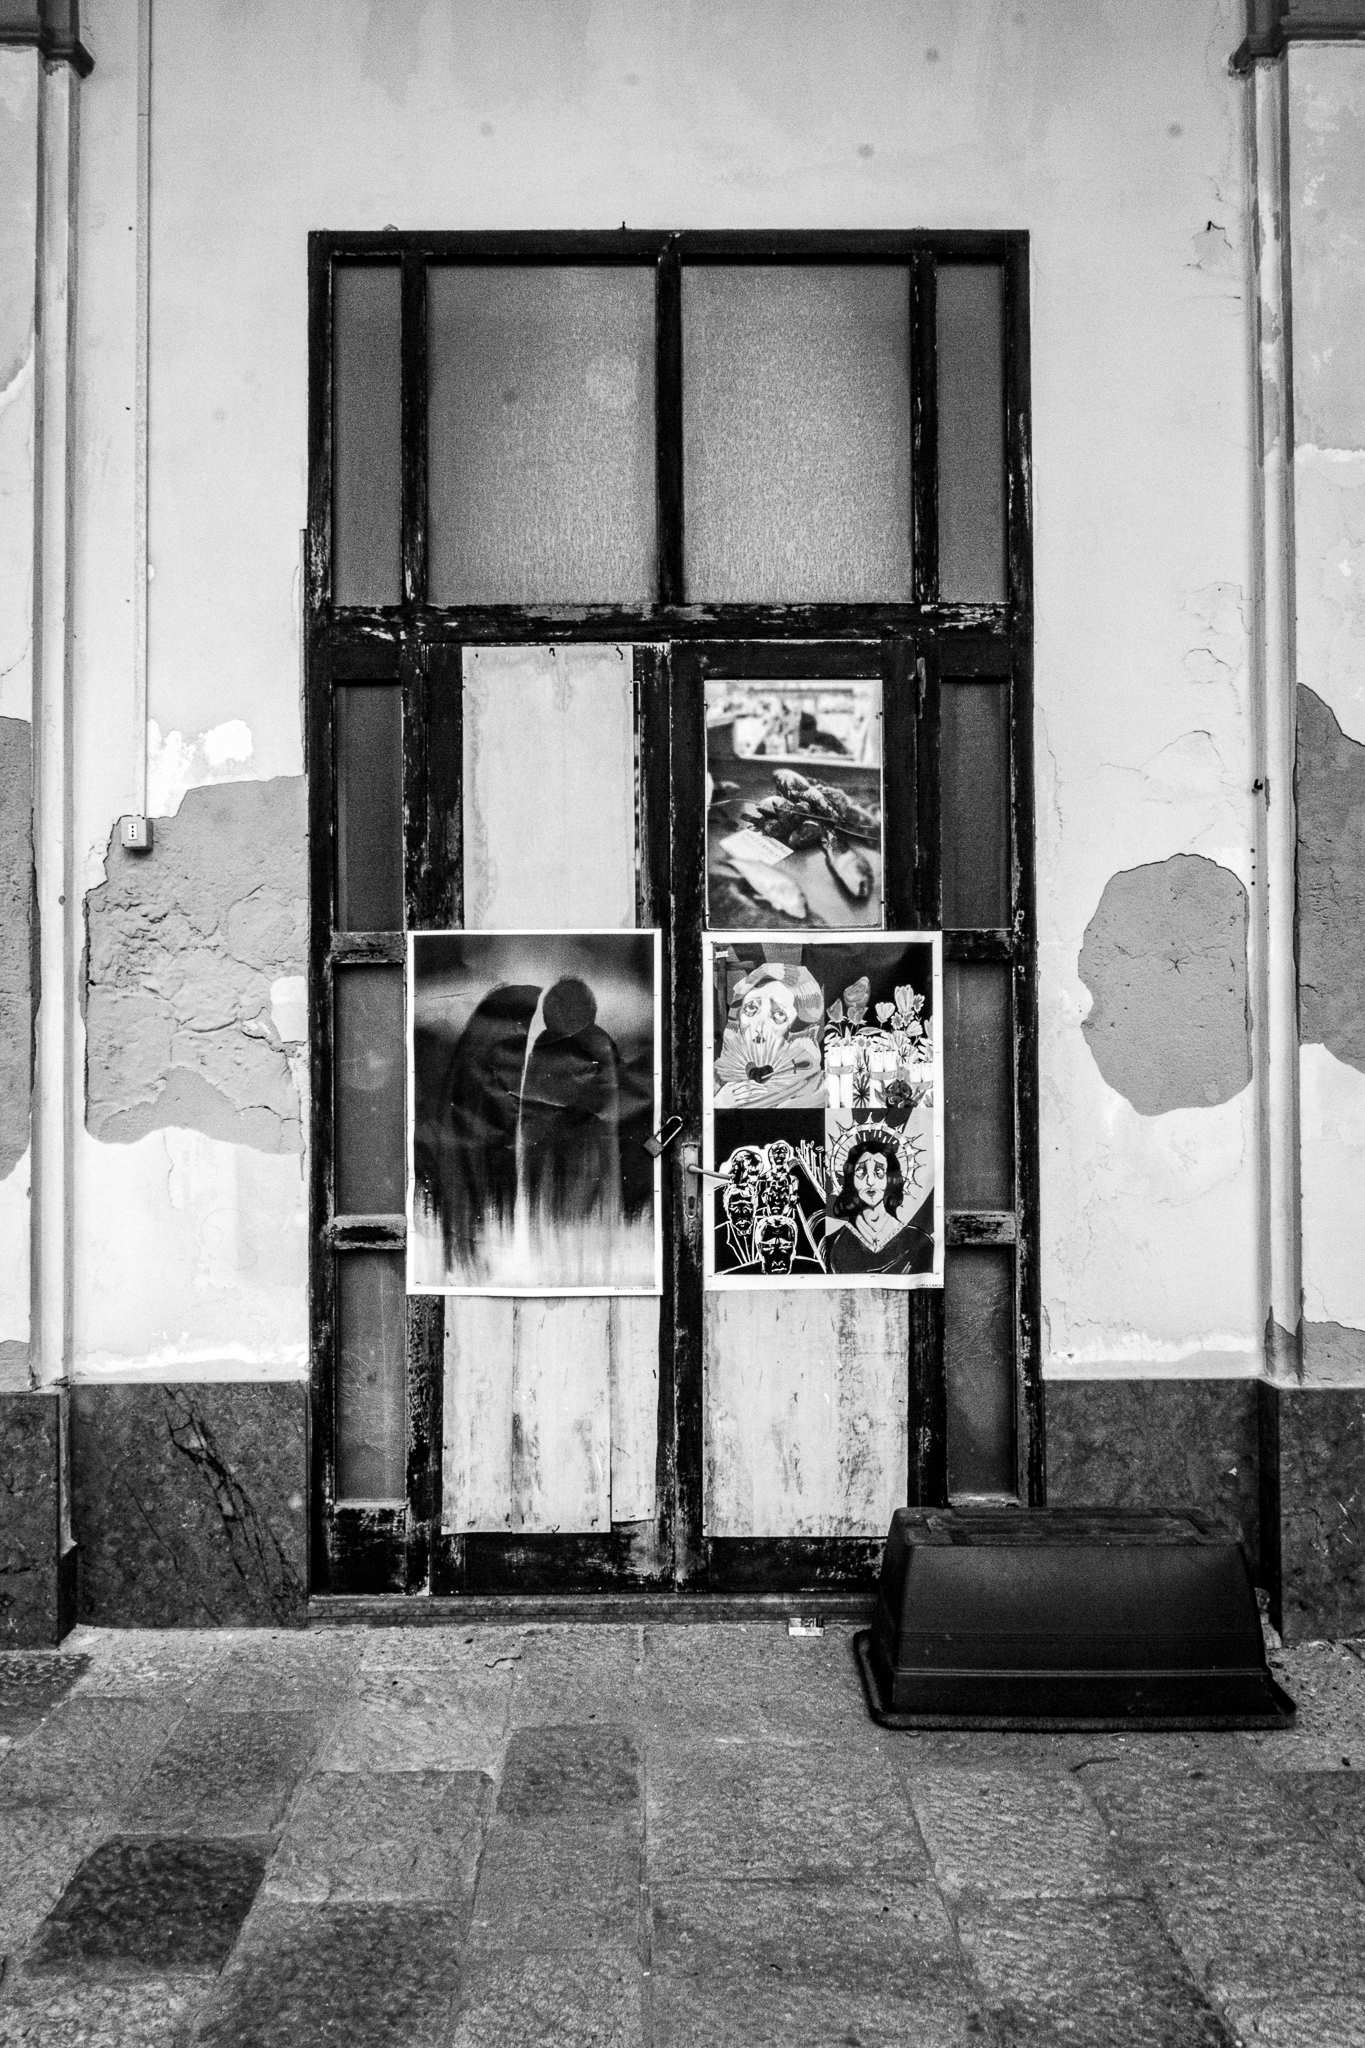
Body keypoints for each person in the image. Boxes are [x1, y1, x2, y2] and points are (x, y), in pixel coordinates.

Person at [713, 962, 826, 1109]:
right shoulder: (713, 1077)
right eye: (751, 1008)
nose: (759, 1026)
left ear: (800, 1030)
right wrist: (718, 1104)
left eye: (779, 1014)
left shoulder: (818, 1089)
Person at [823, 1129, 933, 1276]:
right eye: (861, 1172)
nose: (870, 1181)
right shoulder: (833, 1244)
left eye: (879, 1172)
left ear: (890, 1178)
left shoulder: (918, 1241)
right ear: (851, 1179)